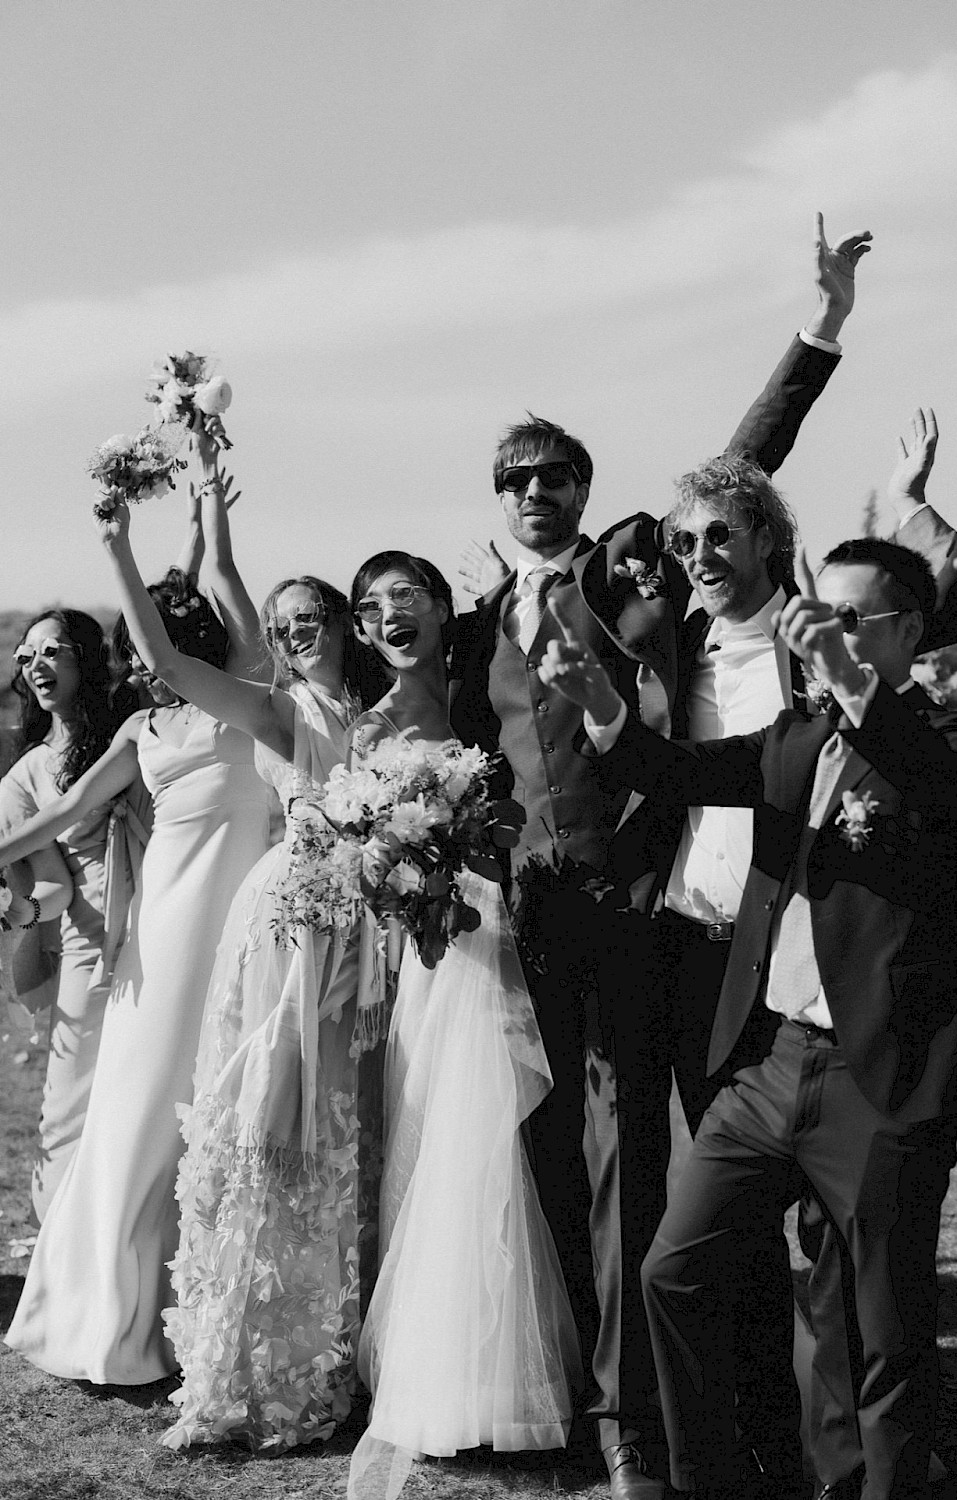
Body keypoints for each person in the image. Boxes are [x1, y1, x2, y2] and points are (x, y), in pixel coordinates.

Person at [449, 215, 871, 1499]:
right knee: (550, 1159)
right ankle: (584, 1390)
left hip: (658, 915)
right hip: (528, 926)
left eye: (557, 477)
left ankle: (657, 1427)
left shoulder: (639, 573)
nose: (538, 496)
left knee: (650, 1161)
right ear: (499, 499)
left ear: (583, 491)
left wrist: (819, 330)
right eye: (518, 480)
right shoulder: (474, 622)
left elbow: (737, 472)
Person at [539, 538, 957, 1499]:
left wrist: (847, 682)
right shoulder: (796, 739)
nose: (820, 632)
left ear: (910, 631)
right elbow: (675, 772)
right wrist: (597, 704)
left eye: (848, 620)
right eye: (815, 614)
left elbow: (938, 802)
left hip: (886, 1071)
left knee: (875, 1333)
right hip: (776, 1063)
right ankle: (713, 1480)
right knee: (675, 1270)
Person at [3, 458, 274, 1385]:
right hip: (159, 939)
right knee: (138, 1109)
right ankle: (111, 1318)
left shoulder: (251, 703)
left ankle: (198, 1310)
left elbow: (227, 594)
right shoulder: (141, 734)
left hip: (246, 931)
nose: (144, 665)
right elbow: (67, 811)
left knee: (225, 1113)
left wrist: (206, 510)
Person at [347, 551, 581, 1500]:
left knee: (521, 1152)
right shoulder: (370, 732)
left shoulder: (485, 695)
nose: (390, 614)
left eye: (407, 595)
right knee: (449, 1147)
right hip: (444, 958)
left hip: (518, 927)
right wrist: (416, 888)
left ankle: (520, 1367)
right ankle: (455, 1380)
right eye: (371, 607)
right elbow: (365, 862)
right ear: (364, 635)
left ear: (445, 609)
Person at [156, 553, 377, 1450]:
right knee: (271, 1126)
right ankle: (248, 1364)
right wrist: (122, 547)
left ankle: (347, 1352)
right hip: (293, 924)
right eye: (280, 623)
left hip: (371, 920)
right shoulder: (278, 710)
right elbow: (174, 668)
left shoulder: (383, 710)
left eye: (308, 614)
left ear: (340, 621)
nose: (292, 632)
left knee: (354, 1131)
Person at [0, 608, 147, 1220]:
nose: (36, 665)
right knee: (66, 1110)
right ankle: (57, 1267)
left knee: (150, 1099)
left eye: (51, 651)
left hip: (167, 917)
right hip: (91, 945)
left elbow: (163, 631)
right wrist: (15, 915)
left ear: (86, 658)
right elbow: (53, 891)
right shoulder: (25, 774)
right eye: (25, 656)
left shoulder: (139, 723)